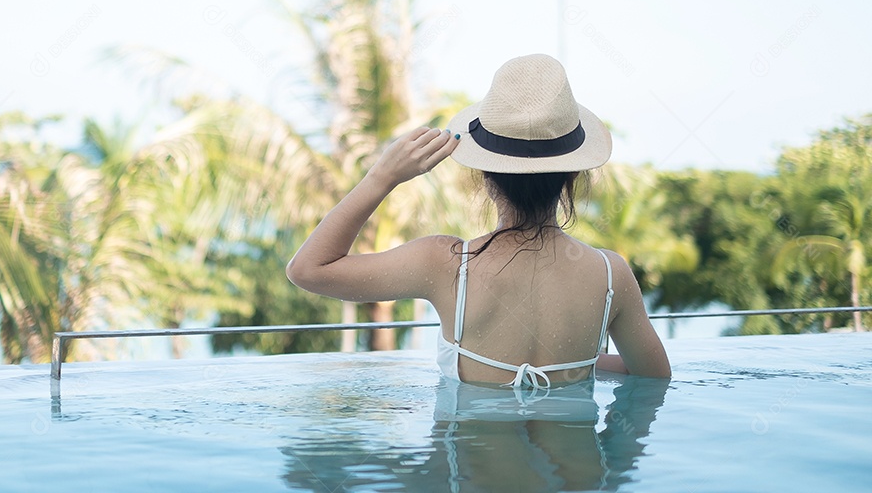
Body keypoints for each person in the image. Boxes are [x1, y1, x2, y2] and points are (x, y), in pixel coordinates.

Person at [286, 53, 670, 389]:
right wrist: (572, 363)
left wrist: (381, 177)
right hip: (584, 475)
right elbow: (653, 377)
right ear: (572, 176)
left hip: (468, 472)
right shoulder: (610, 274)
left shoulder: (445, 264)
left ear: (486, 177)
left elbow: (308, 269)